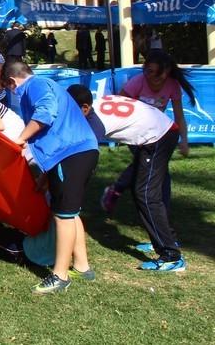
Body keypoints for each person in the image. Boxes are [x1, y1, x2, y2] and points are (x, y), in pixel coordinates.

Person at [0, 59, 99, 294]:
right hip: (76, 153)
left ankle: (60, 275)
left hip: (71, 153)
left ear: (12, 82)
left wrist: (20, 139)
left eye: (7, 87)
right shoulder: (45, 84)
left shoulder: (35, 86)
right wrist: (45, 178)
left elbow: (45, 114)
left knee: (62, 216)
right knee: (70, 212)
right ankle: (83, 267)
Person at [68, 85, 185, 272]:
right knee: (146, 191)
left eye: (70, 111)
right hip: (158, 131)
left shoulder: (93, 122)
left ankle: (171, 256)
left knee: (146, 194)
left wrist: (72, 191)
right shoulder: (89, 105)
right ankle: (166, 239)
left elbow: (87, 160)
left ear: (85, 108)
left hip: (160, 136)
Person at [101, 50, 195, 215]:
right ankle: (161, 215)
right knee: (158, 168)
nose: (151, 77)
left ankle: (117, 190)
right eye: (148, 71)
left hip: (157, 133)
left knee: (153, 167)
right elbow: (116, 105)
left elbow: (179, 117)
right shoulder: (137, 82)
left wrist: (184, 141)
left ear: (166, 72)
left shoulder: (172, 85)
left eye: (156, 73)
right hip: (135, 133)